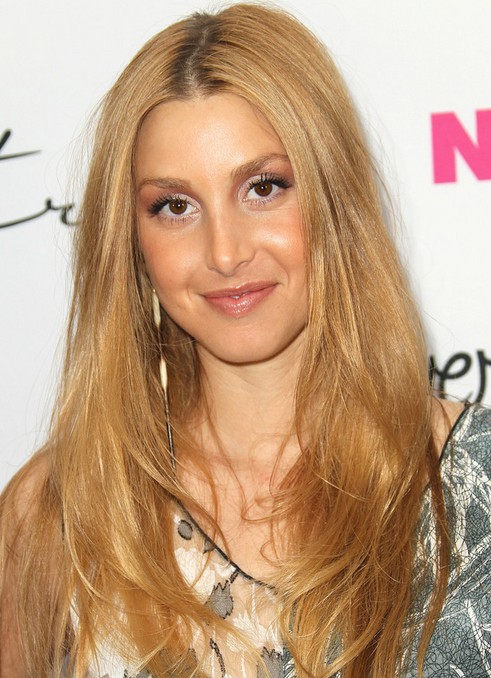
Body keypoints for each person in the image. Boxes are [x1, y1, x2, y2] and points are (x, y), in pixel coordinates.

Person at [1, 3, 490, 677]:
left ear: (335, 199)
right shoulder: (58, 510)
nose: (225, 252)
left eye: (263, 187)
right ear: (133, 243)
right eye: (175, 206)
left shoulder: (475, 480)